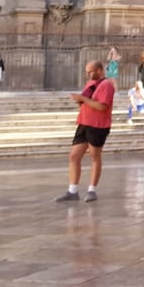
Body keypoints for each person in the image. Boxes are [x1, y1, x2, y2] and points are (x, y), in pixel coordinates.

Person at [56, 60, 115, 203]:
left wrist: (82, 98)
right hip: (84, 123)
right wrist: (80, 100)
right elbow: (87, 100)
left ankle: (92, 190)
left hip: (98, 125)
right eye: (87, 72)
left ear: (100, 71)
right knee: (74, 156)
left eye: (91, 72)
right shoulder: (90, 84)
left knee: (95, 156)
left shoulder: (107, 85)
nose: (88, 74)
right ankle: (72, 190)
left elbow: (102, 106)